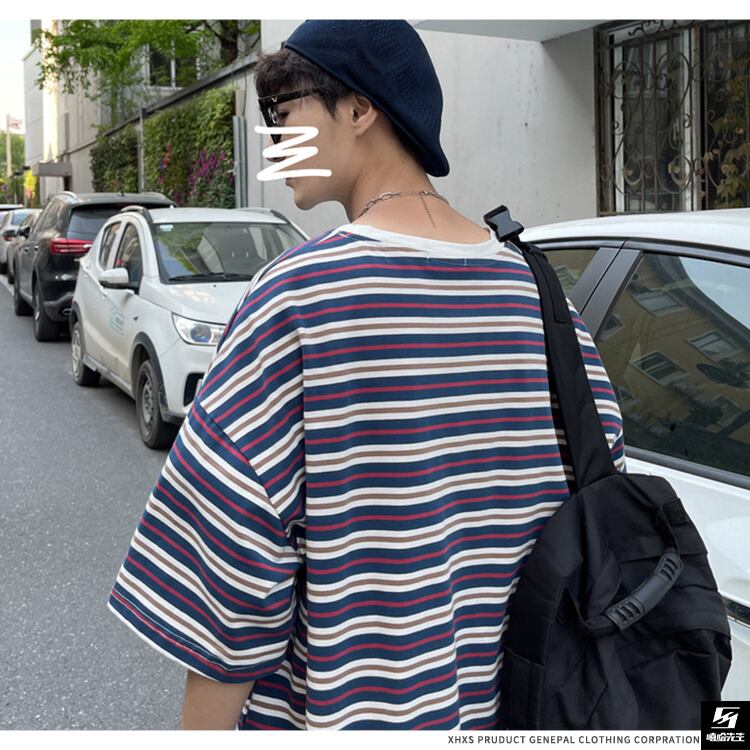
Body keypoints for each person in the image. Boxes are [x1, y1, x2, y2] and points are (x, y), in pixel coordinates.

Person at [108, 20, 625, 730]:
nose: (271, 138)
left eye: (282, 111)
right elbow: (600, 478)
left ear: (359, 109)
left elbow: (232, 574)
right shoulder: (538, 293)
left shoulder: (297, 296)